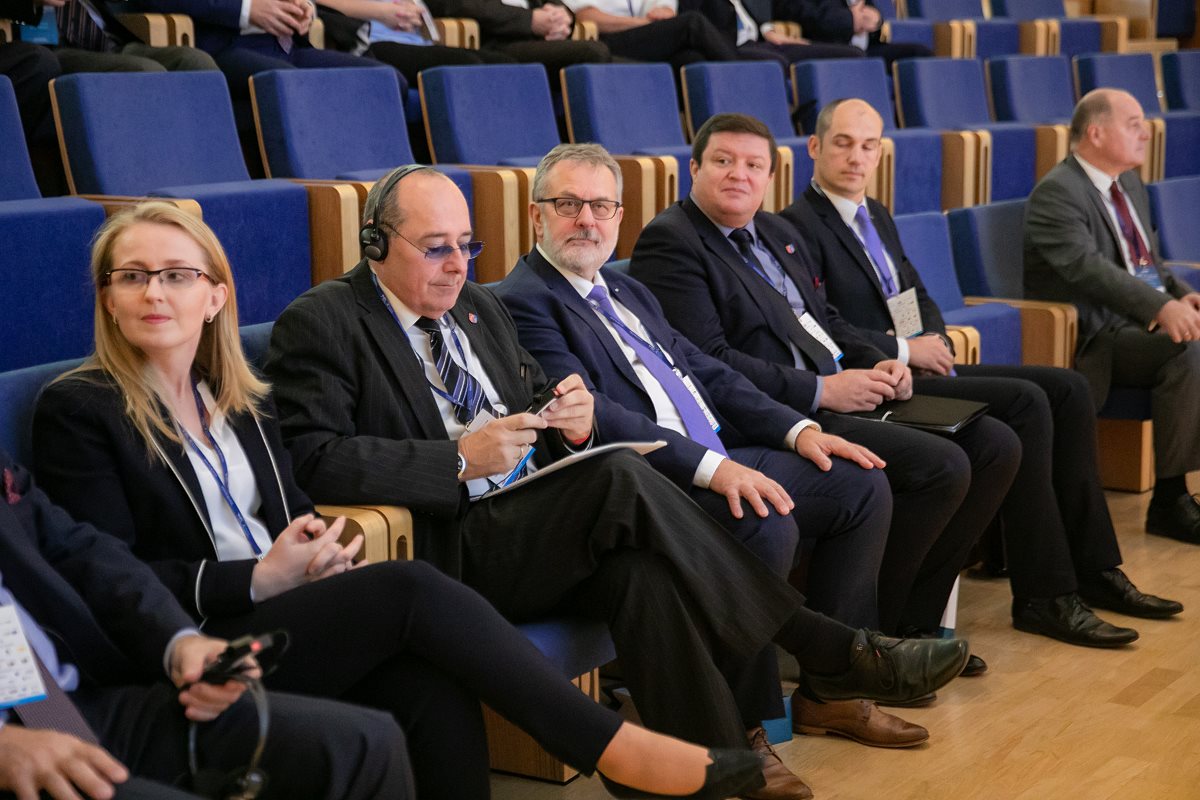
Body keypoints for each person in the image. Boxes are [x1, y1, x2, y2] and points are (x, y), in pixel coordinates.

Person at [262, 163, 971, 797]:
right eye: (435, 248)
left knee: (643, 575)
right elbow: (313, 458)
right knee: (618, 474)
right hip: (445, 545)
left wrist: (569, 419)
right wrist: (457, 460)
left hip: (530, 522)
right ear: (376, 243)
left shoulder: (478, 308)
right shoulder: (323, 320)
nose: (456, 267)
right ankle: (825, 646)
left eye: (466, 247)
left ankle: (708, 768)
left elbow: (537, 398)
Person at [31, 201, 778, 800]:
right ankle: (614, 743)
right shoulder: (80, 410)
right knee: (414, 587)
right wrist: (256, 579)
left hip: (291, 604)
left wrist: (317, 550)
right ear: (107, 297)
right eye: (132, 277)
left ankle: (679, 760)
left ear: (215, 295)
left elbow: (294, 510)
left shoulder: (239, 401)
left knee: (434, 684)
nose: (154, 293)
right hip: (202, 632)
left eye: (176, 275)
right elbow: (105, 579)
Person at [496, 143, 935, 767]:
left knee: (857, 484)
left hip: (717, 448)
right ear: (536, 215)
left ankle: (832, 693)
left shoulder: (625, 288)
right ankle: (747, 728)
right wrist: (715, 468)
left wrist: (796, 431)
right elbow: (595, 412)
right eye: (568, 205)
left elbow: (705, 370)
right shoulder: (524, 300)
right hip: (654, 479)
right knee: (760, 521)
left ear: (619, 215)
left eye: (600, 206)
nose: (586, 220)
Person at [780, 98, 1182, 642]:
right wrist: (905, 349)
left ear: (880, 153)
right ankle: (1046, 594)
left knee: (1066, 388)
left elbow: (914, 292)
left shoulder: (874, 214)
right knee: (1027, 403)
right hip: (876, 379)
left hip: (918, 365)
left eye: (867, 146)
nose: (856, 157)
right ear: (815, 147)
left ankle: (1095, 569)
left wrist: (936, 338)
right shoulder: (797, 226)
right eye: (843, 144)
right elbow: (823, 323)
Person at [629, 113, 1017, 666]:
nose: (739, 174)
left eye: (753, 165)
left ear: (770, 177)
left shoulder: (776, 234)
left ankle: (915, 622)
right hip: (779, 409)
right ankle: (873, 644)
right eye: (723, 161)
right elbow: (707, 362)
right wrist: (822, 390)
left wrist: (883, 361)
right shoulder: (672, 241)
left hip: (843, 386)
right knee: (942, 466)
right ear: (694, 169)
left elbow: (825, 320)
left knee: (995, 444)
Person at [0, 453, 414, 799]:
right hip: (15, 739)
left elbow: (80, 550)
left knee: (368, 743)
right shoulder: (81, 409)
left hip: (72, 703)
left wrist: (180, 641)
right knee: (404, 591)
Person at [1024, 88, 1200, 547]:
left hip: (1136, 323)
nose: (1146, 133)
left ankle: (1175, 492)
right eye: (1134, 123)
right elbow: (1089, 270)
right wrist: (1160, 307)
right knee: (1189, 350)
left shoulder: (1130, 186)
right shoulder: (1057, 193)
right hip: (1096, 335)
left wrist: (1183, 297)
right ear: (1096, 133)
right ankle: (1170, 499)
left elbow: (1149, 264)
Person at [557, 0, 739, 69]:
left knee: (692, 59)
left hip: (643, 36)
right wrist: (643, 23)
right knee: (692, 23)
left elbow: (664, 7)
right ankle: (743, 79)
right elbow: (587, 17)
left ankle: (722, 129)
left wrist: (665, 9)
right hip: (603, 40)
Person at [768, 0, 930, 67]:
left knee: (919, 52)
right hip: (826, 44)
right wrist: (849, 19)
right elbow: (793, 9)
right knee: (855, 55)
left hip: (868, 46)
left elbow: (868, 8)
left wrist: (876, 19)